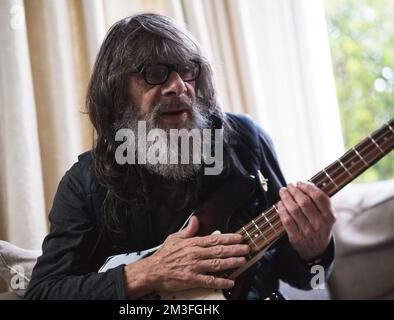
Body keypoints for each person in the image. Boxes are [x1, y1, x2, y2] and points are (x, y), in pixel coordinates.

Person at [25, 13, 335, 300]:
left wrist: (314, 251)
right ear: (117, 92)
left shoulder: (245, 140)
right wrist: (148, 272)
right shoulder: (85, 184)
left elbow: (305, 279)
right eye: (154, 73)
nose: (178, 86)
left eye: (188, 70)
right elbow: (44, 292)